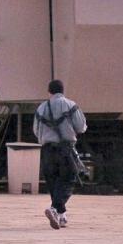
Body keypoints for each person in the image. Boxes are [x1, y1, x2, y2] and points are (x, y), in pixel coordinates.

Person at [33, 79, 87, 230]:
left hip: (47, 150)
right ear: (63, 91)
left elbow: (36, 131)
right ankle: (54, 209)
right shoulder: (70, 105)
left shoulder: (41, 108)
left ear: (49, 92)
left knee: (54, 183)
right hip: (65, 149)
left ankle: (61, 216)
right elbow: (81, 127)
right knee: (68, 180)